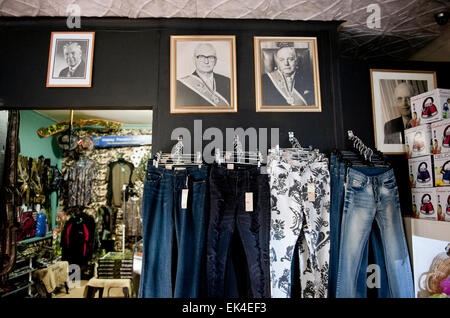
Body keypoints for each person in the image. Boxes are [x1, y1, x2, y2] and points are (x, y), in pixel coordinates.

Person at [176, 43, 230, 107]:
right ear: (194, 60)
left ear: (215, 61)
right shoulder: (180, 85)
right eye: (201, 57)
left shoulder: (228, 82)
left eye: (211, 57)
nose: (206, 61)